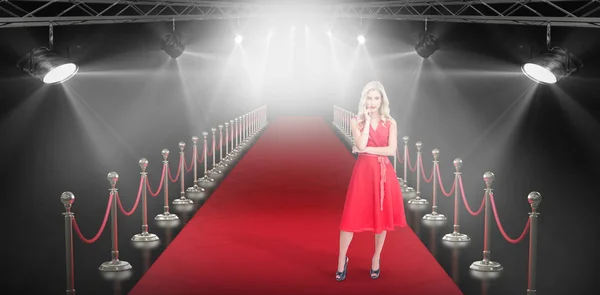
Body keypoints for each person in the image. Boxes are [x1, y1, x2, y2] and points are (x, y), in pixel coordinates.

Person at [335, 81, 408, 282]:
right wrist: (366, 122)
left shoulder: (391, 123)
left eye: (377, 98)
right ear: (364, 99)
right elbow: (360, 143)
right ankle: (342, 259)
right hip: (363, 173)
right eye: (369, 98)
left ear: (382, 100)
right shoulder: (356, 121)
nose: (373, 102)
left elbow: (391, 151)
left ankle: (376, 258)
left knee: (382, 219)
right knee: (350, 218)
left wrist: (364, 150)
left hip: (384, 175)